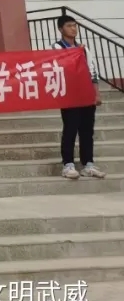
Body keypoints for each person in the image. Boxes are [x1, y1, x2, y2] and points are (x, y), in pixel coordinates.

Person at [55, 14, 106, 180]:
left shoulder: (84, 49)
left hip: (86, 94)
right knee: (70, 129)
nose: (73, 29)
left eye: (74, 25)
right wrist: (75, 53)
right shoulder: (56, 47)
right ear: (61, 29)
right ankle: (68, 164)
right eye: (69, 26)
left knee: (87, 130)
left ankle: (88, 164)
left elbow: (92, 71)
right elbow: (60, 67)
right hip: (70, 95)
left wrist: (96, 93)